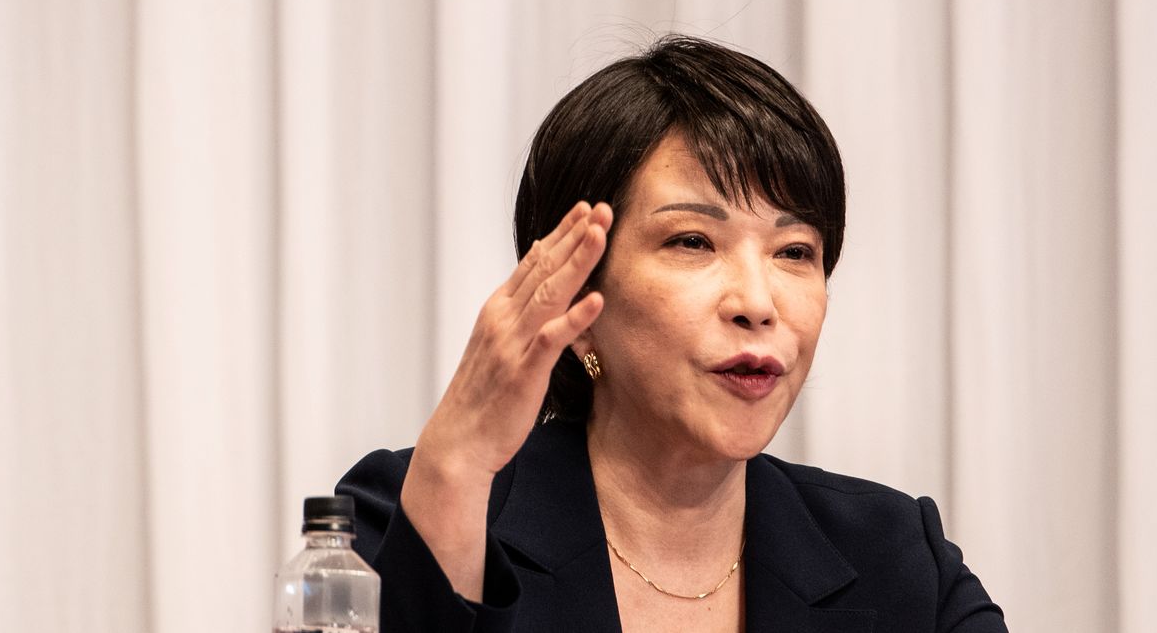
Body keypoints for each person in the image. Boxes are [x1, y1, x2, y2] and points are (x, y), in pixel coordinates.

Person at [337, 36, 1008, 632]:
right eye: (693, 241)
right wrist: (455, 464)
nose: (757, 301)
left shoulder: (897, 558)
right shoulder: (408, 515)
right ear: (576, 293)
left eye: (795, 251)